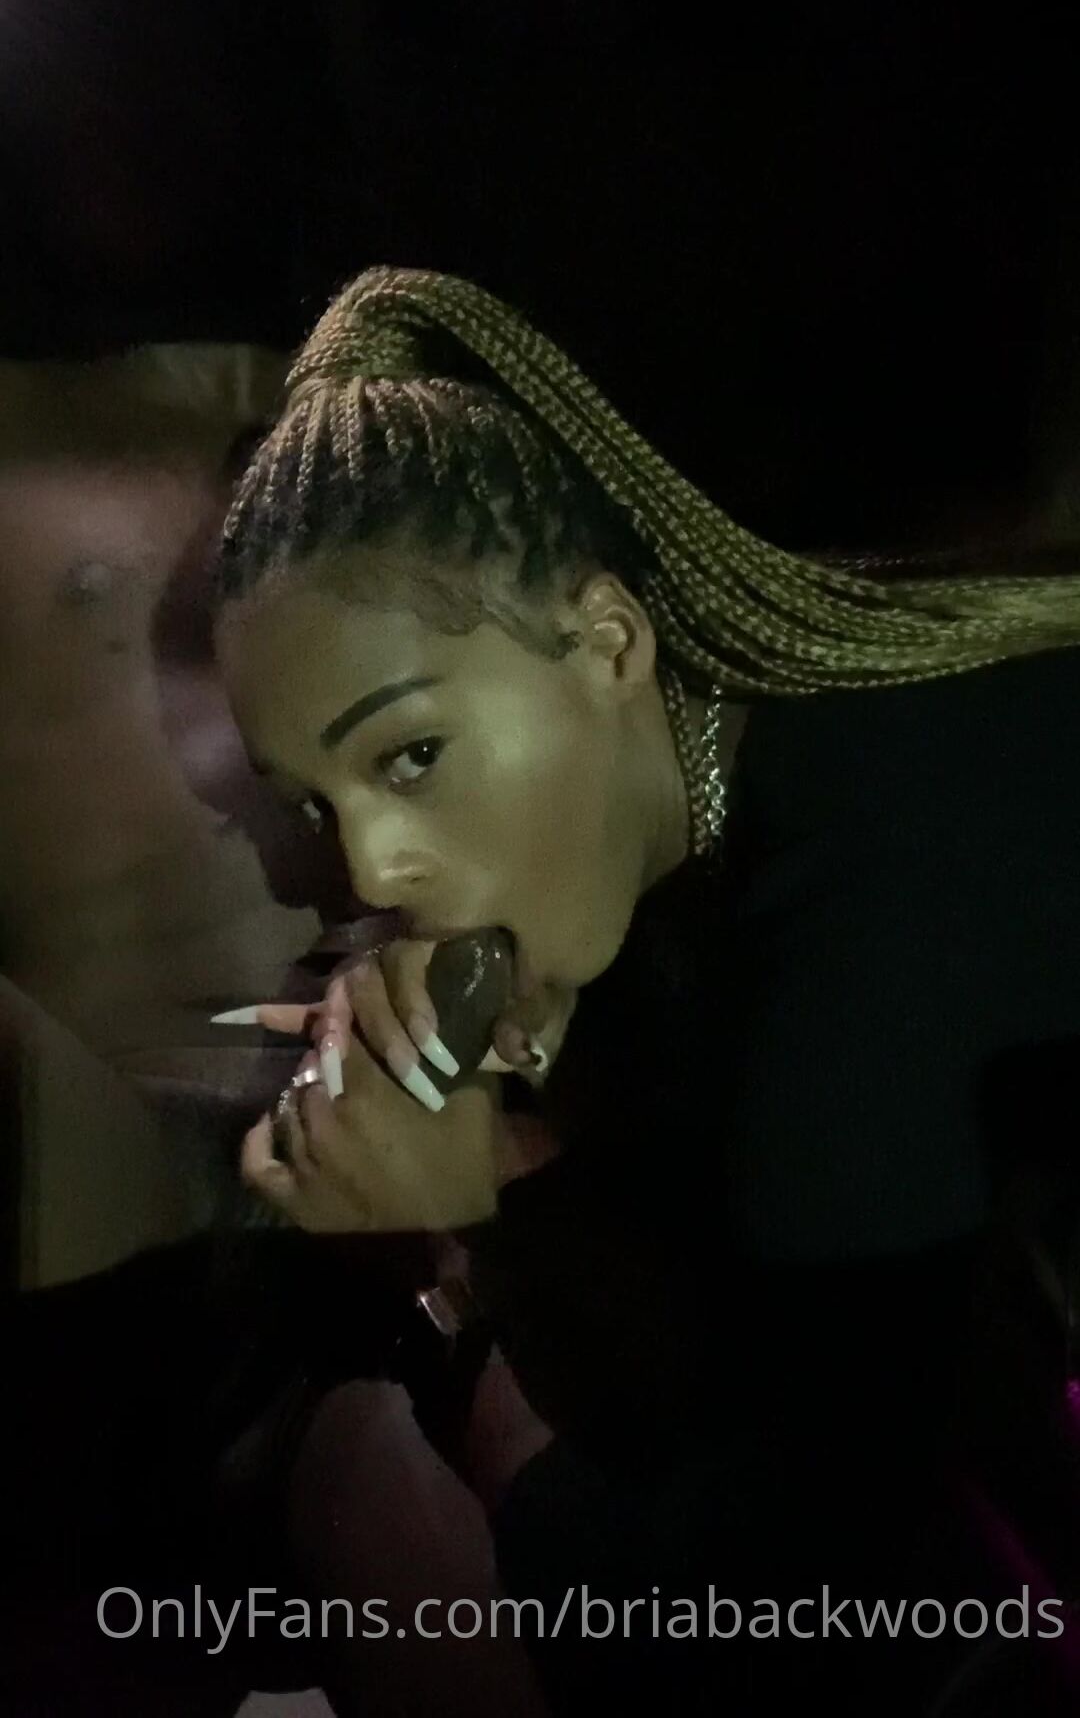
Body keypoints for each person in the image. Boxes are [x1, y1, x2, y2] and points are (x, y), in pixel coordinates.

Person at [211, 265, 1080, 1713]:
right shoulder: (781, 742)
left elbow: (793, 1626)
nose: (369, 868)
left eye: (412, 755)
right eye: (316, 803)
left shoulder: (867, 921)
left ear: (609, 642)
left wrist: (473, 1227)